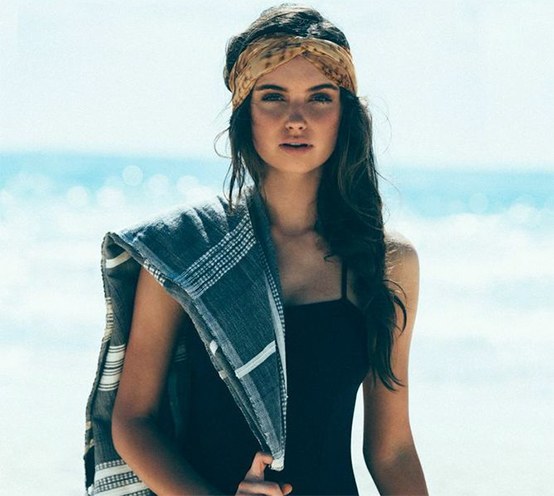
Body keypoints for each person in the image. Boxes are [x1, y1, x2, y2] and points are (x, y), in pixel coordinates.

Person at [84, 4, 428, 496]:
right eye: (273, 97)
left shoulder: (386, 262)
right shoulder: (187, 252)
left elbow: (391, 449)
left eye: (320, 97)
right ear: (245, 114)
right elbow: (135, 420)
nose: (297, 119)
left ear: (345, 115)